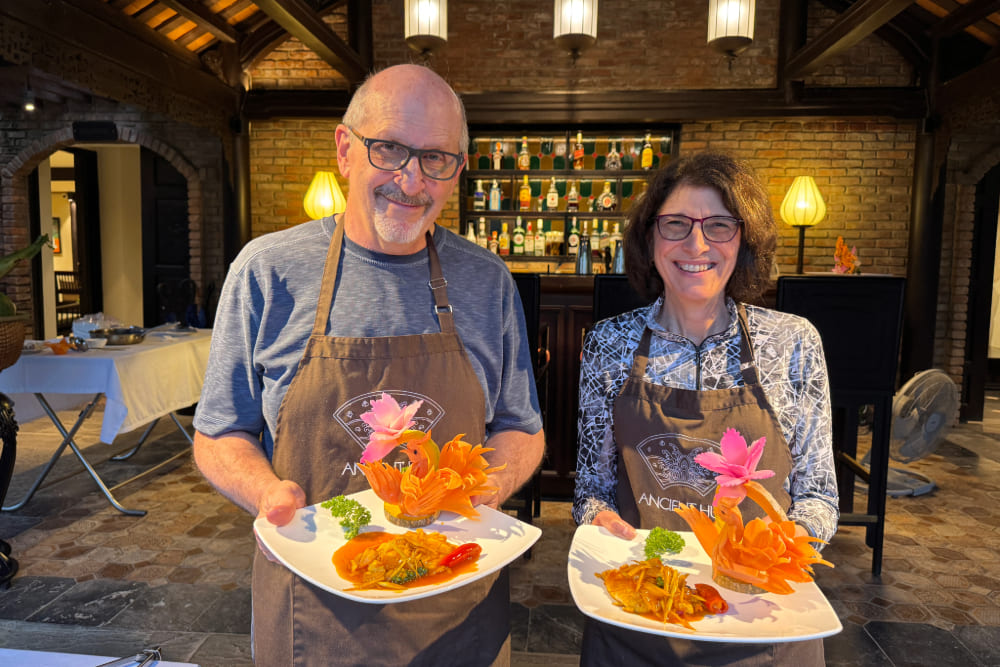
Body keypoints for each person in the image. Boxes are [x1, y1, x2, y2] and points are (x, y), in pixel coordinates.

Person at [192, 64, 544, 667]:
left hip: (457, 607)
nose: (412, 180)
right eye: (390, 149)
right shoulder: (267, 271)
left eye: (437, 158)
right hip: (315, 612)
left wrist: (491, 484)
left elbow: (522, 428)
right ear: (345, 150)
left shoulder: (486, 280)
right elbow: (219, 431)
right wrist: (265, 492)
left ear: (458, 171)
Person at [573, 152, 838, 665]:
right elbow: (591, 489)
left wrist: (785, 545)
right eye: (676, 224)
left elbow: (820, 497)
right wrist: (600, 521)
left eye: (718, 225)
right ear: (650, 240)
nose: (697, 245)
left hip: (763, 620)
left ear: (744, 239)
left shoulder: (791, 343)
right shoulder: (609, 345)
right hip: (639, 613)